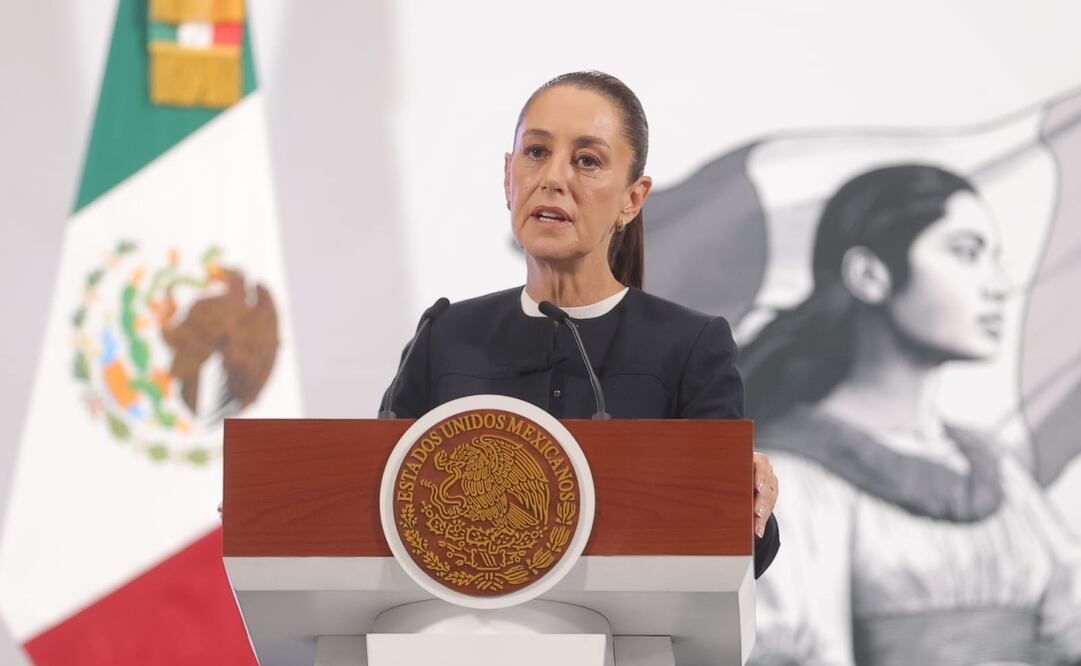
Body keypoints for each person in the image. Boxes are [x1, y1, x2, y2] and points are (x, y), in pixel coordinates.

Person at [382, 71, 779, 577]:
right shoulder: (445, 336)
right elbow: (376, 503)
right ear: (509, 177)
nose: (553, 178)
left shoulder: (687, 346)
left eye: (587, 161)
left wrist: (745, 493)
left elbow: (743, 555)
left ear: (632, 200)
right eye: (536, 152)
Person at [742, 164, 1081, 664]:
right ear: (869, 274)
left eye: (995, 258)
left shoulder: (993, 467)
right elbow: (803, 652)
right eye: (966, 253)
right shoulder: (790, 474)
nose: (998, 285)